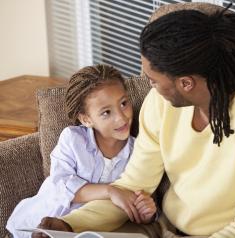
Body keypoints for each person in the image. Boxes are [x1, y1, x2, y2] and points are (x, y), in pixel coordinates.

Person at [34, 5, 235, 238]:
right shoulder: (161, 103)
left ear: (185, 83)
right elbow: (132, 187)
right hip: (163, 229)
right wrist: (68, 225)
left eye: (153, 81)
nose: (150, 88)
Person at [6, 65, 157, 238]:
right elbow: (61, 183)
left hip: (91, 232)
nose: (121, 117)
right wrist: (111, 191)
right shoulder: (73, 139)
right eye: (106, 112)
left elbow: (137, 200)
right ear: (86, 119)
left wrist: (147, 214)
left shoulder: (138, 152)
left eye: (123, 103)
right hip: (41, 223)